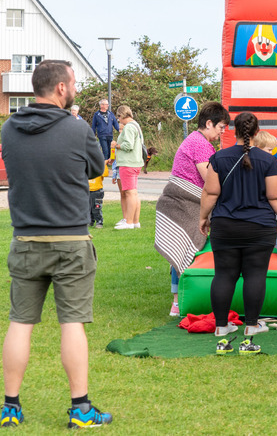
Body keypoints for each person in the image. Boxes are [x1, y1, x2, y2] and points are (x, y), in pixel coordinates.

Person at [1, 60, 112, 428]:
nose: (76, 88)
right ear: (61, 88)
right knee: (72, 324)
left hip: (25, 238)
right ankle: (81, 409)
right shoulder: (77, 129)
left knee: (20, 323)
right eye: (74, 82)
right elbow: (95, 168)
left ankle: (10, 407)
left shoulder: (8, 129)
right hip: (71, 240)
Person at [200, 112, 277, 356]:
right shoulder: (267, 160)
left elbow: (211, 193)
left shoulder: (219, 158)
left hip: (225, 226)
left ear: (234, 131)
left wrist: (203, 217)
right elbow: (275, 196)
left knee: (224, 275)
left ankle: (221, 329)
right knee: (255, 275)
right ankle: (251, 329)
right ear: (257, 132)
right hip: (259, 227)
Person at [155, 101, 230, 317]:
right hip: (181, 203)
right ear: (209, 123)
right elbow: (210, 180)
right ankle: (178, 301)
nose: (222, 132)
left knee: (183, 250)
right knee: (184, 250)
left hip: (177, 204)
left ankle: (180, 299)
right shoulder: (200, 144)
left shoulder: (196, 140)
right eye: (221, 127)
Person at [112, 105, 145, 230]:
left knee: (129, 193)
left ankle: (129, 222)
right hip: (136, 162)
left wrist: (117, 145)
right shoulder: (136, 125)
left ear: (121, 115)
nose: (119, 120)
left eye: (118, 117)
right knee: (134, 193)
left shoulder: (129, 127)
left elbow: (128, 145)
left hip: (128, 163)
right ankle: (135, 221)